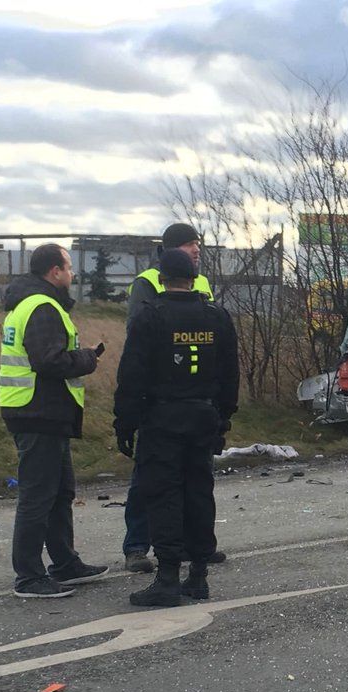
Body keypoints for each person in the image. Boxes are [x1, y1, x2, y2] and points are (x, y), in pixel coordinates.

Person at [114, 248, 238, 607]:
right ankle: (198, 574)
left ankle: (168, 576)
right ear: (194, 279)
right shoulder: (217, 317)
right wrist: (224, 416)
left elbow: (131, 375)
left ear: (161, 277)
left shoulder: (150, 318)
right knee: (200, 491)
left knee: (164, 494)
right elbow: (230, 373)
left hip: (162, 420)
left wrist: (125, 422)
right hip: (204, 418)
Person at [0, 243, 108, 598]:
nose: (72, 273)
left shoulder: (29, 303)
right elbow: (48, 361)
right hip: (37, 411)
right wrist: (87, 359)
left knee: (60, 492)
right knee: (38, 495)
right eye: (69, 267)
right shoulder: (42, 307)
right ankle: (29, 577)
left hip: (42, 412)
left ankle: (65, 563)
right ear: (54, 271)